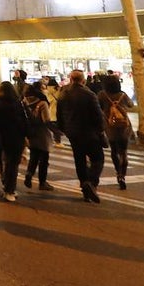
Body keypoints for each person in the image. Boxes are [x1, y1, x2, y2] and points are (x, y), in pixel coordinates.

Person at [56, 69, 105, 204]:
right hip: (89, 132)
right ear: (83, 80)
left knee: (80, 160)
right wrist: (101, 130)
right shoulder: (89, 94)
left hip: (72, 133)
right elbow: (98, 115)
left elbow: (59, 114)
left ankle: (85, 189)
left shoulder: (63, 94)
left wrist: (63, 129)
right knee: (98, 159)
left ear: (71, 79)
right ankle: (91, 182)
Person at [0, 80, 28, 202]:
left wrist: (1, 129)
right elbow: (24, 121)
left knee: (2, 161)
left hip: (1, 136)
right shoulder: (18, 104)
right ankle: (10, 189)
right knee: (13, 164)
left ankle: (7, 186)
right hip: (16, 137)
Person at [98, 74, 134, 189]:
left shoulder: (102, 95)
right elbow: (131, 105)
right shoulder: (123, 95)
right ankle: (123, 175)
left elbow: (98, 107)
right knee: (124, 151)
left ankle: (118, 173)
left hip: (110, 126)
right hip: (124, 126)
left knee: (114, 150)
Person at [22, 82, 54, 190]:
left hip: (30, 132)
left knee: (34, 156)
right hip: (42, 133)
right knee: (44, 159)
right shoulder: (42, 103)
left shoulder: (24, 101)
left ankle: (29, 175)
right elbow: (46, 120)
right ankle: (42, 182)